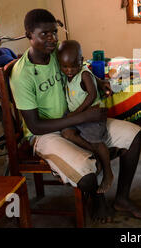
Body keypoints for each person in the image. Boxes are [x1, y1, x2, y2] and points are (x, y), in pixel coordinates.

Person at [9, 8, 141, 222]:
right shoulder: (22, 75)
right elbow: (35, 126)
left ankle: (121, 199)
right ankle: (98, 198)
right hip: (46, 134)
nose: (52, 39)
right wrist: (82, 118)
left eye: (54, 32)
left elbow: (80, 69)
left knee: (133, 136)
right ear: (29, 36)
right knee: (86, 176)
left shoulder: (57, 56)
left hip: (78, 122)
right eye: (44, 34)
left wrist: (97, 83)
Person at [57, 40, 113, 194]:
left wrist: (77, 114)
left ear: (81, 62)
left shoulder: (84, 74)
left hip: (91, 116)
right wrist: (74, 116)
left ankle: (108, 172)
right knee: (66, 133)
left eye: (73, 66)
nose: (69, 70)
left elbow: (92, 95)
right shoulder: (68, 75)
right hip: (77, 117)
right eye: (64, 67)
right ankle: (95, 154)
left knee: (96, 141)